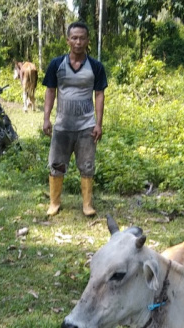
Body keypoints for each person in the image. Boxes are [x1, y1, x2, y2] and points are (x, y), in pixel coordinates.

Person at [42, 21, 107, 217]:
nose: (78, 42)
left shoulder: (95, 66)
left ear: (88, 40)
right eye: (74, 38)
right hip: (62, 125)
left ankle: (87, 204)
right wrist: (46, 118)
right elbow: (50, 91)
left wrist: (98, 123)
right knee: (57, 163)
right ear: (68, 40)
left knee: (87, 165)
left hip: (86, 126)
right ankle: (54, 203)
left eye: (82, 38)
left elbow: (99, 95)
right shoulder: (56, 64)